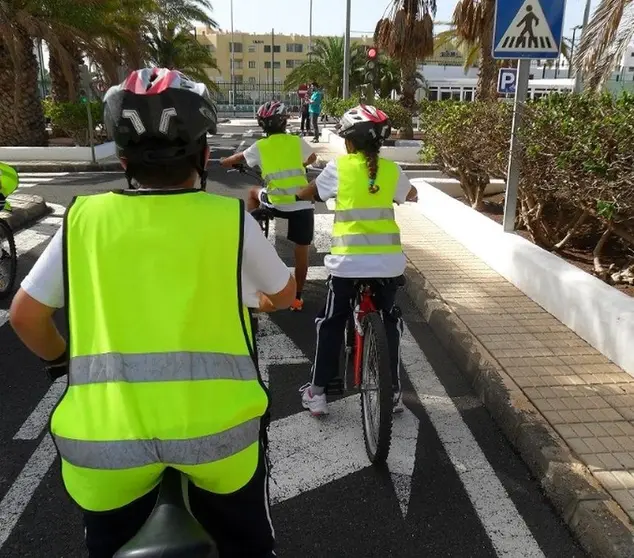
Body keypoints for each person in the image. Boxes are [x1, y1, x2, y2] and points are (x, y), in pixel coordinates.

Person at [9, 67, 296, 558]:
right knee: (248, 547)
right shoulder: (231, 221)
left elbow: (26, 317)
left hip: (105, 448)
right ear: (204, 155)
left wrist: (62, 363)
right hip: (218, 442)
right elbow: (286, 292)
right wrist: (262, 300)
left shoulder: (83, 221)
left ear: (122, 160)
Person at [294, 105, 418, 416]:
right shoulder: (392, 171)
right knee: (389, 320)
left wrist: (298, 195)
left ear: (349, 142)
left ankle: (318, 392)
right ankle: (392, 394)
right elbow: (412, 194)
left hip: (348, 265)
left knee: (331, 321)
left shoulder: (340, 168)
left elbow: (312, 192)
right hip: (389, 265)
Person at [221, 100, 317, 312]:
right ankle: (297, 298)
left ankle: (251, 227)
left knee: (253, 192)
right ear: (284, 122)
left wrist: (226, 162)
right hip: (301, 204)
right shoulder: (296, 142)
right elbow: (312, 157)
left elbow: (234, 160)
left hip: (275, 202)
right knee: (302, 252)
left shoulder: (260, 147)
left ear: (262, 125)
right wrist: (300, 164)